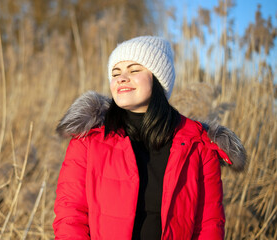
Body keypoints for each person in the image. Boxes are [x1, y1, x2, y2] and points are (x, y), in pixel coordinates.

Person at [53, 36, 247, 239]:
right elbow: (70, 216)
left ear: (158, 78)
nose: (121, 78)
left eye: (134, 70)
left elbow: (209, 225)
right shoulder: (89, 140)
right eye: (115, 73)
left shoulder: (198, 145)